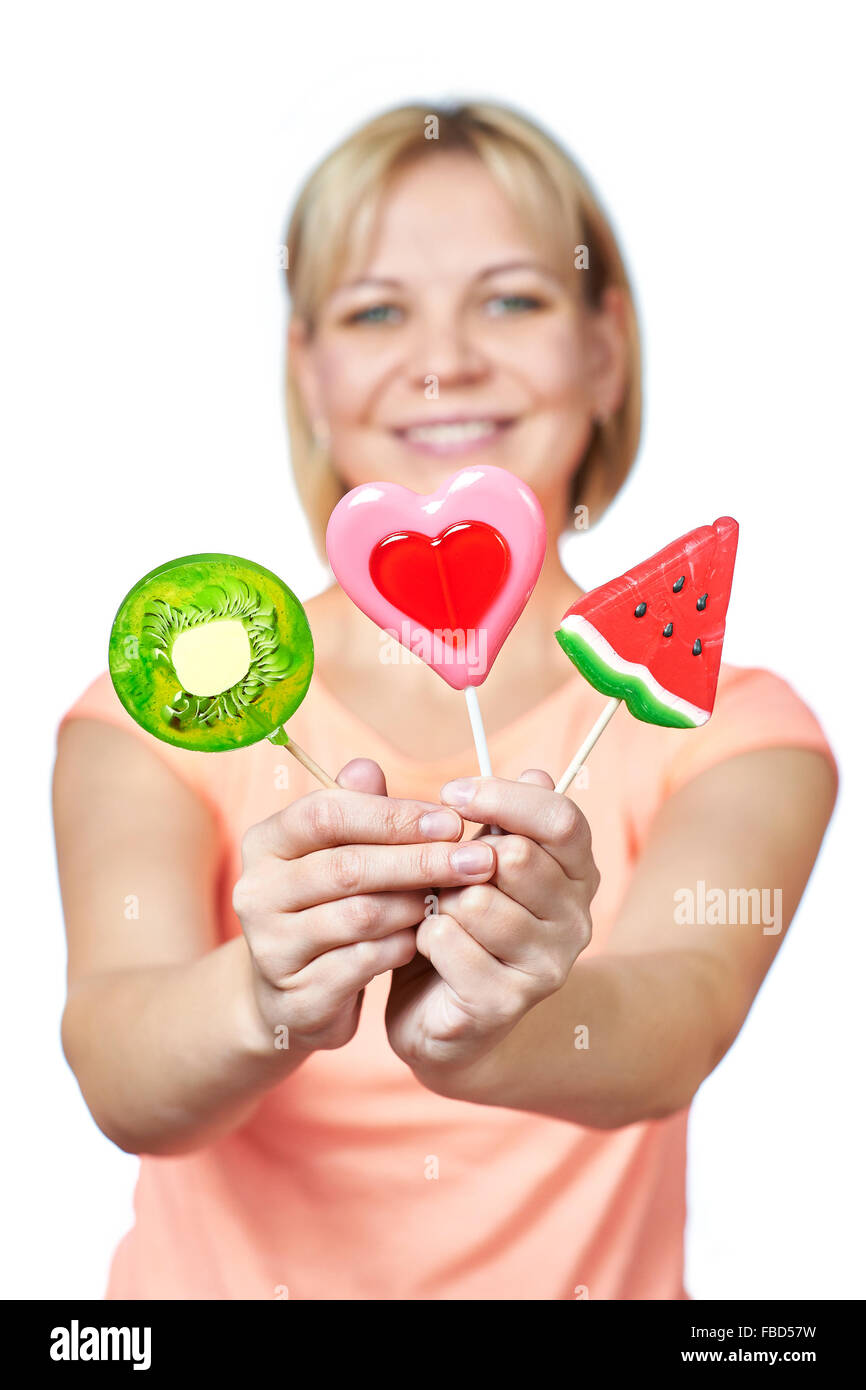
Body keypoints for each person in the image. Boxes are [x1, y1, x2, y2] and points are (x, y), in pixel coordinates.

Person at [53, 101, 837, 1300]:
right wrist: (265, 995)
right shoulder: (153, 715)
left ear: (605, 347)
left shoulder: (730, 729)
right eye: (376, 311)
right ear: (306, 368)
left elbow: (673, 1023)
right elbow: (117, 1067)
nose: (442, 362)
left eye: (512, 298)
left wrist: (495, 1030)